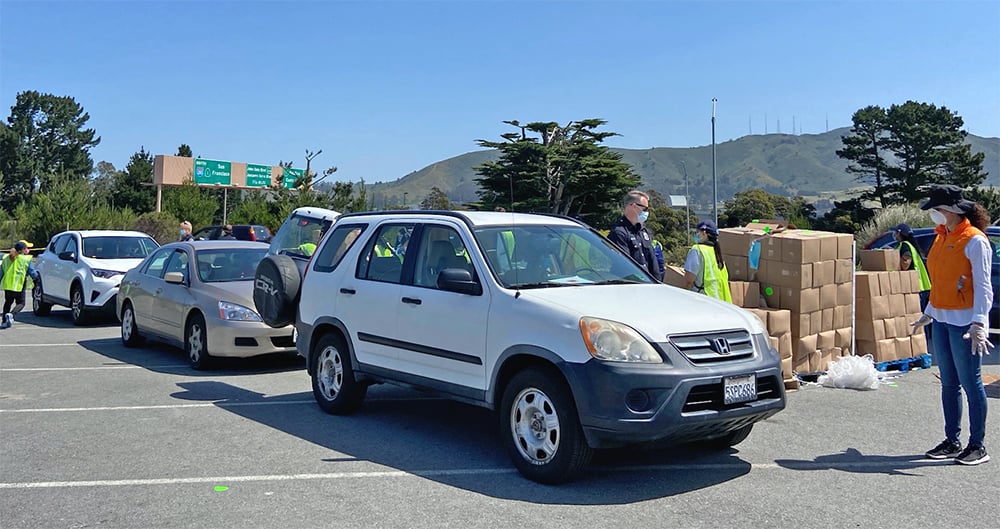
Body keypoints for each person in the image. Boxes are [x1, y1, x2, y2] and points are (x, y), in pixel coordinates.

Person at [912, 184, 992, 466]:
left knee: (972, 383)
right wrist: (930, 311)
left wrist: (980, 323)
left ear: (949, 211)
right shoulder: (941, 236)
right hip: (943, 321)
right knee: (949, 383)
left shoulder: (975, 240)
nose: (933, 214)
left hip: (964, 325)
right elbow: (942, 281)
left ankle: (977, 445)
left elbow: (983, 287)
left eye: (935, 209)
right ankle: (952, 439)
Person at [607, 191, 662, 280]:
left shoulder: (643, 231)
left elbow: (653, 262)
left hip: (649, 285)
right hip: (630, 285)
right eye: (645, 209)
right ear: (633, 206)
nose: (647, 212)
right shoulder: (619, 233)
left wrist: (657, 283)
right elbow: (625, 266)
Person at [895, 223, 932, 345]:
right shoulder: (911, 245)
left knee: (917, 317)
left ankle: (920, 341)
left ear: (900, 233)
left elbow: (905, 263)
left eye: (896, 233)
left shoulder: (905, 246)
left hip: (915, 286)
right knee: (920, 315)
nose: (894, 235)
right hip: (920, 286)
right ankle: (921, 340)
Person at [683, 220, 732, 302]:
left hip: (703, 301)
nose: (696, 235)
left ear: (704, 233)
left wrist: (681, 297)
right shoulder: (716, 253)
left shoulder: (697, 250)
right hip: (721, 303)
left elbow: (689, 280)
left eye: (698, 232)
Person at [0, 241, 40, 329]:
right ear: (22, 250)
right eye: (26, 248)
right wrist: (37, 279)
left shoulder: (7, 258)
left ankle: (3, 322)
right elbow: (32, 273)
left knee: (8, 303)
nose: (28, 250)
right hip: (19, 285)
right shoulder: (25, 260)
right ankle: (12, 314)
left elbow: (1, 272)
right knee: (21, 303)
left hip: (8, 285)